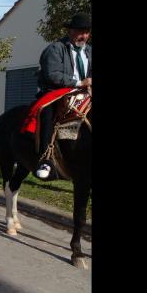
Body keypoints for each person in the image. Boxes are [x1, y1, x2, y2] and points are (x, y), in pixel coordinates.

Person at [33, 13, 92, 180]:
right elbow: (52, 74)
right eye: (81, 31)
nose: (84, 36)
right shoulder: (55, 49)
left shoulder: (89, 50)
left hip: (83, 91)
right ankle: (46, 159)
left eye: (87, 32)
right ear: (70, 31)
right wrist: (79, 83)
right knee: (47, 112)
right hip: (56, 90)